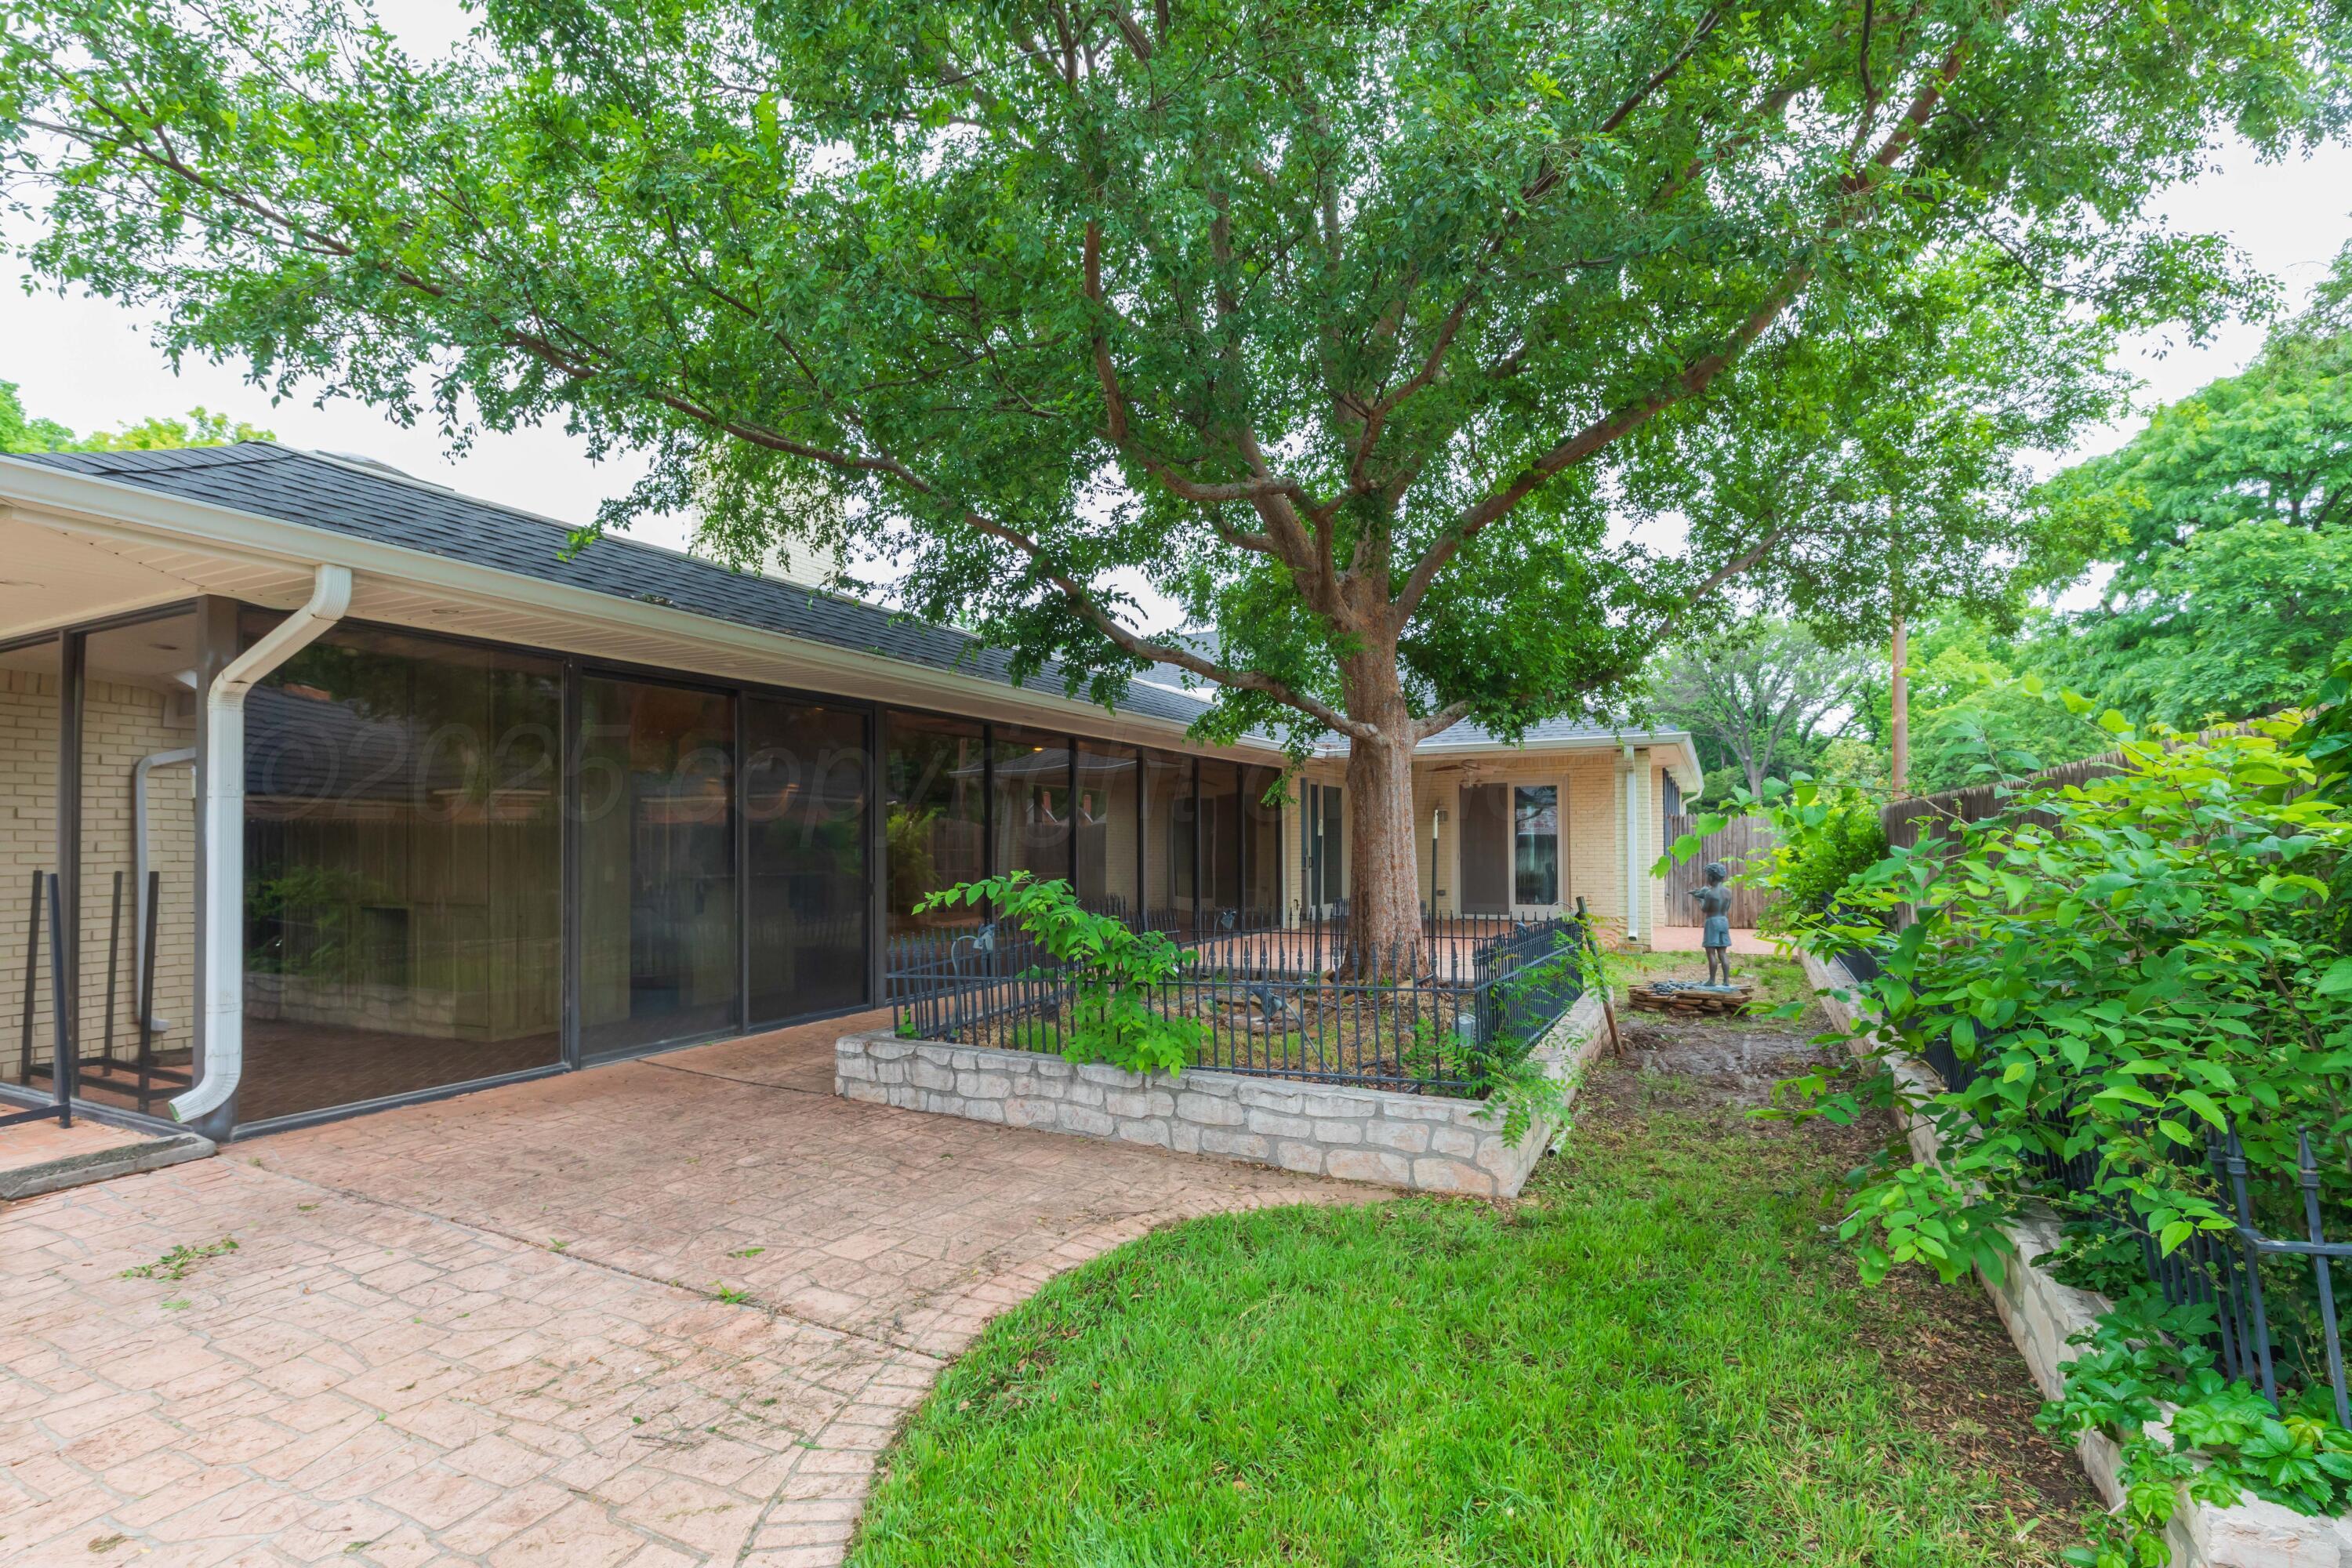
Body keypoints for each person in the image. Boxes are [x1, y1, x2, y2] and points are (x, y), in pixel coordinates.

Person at [1689, 861, 1735, 985]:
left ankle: (1712, 980)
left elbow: (1705, 909)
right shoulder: (1728, 892)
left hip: (1712, 922)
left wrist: (1699, 899)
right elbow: (1727, 908)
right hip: (1724, 921)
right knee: (1723, 953)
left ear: (1711, 877)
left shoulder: (1710, 893)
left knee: (1711, 953)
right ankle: (1726, 981)